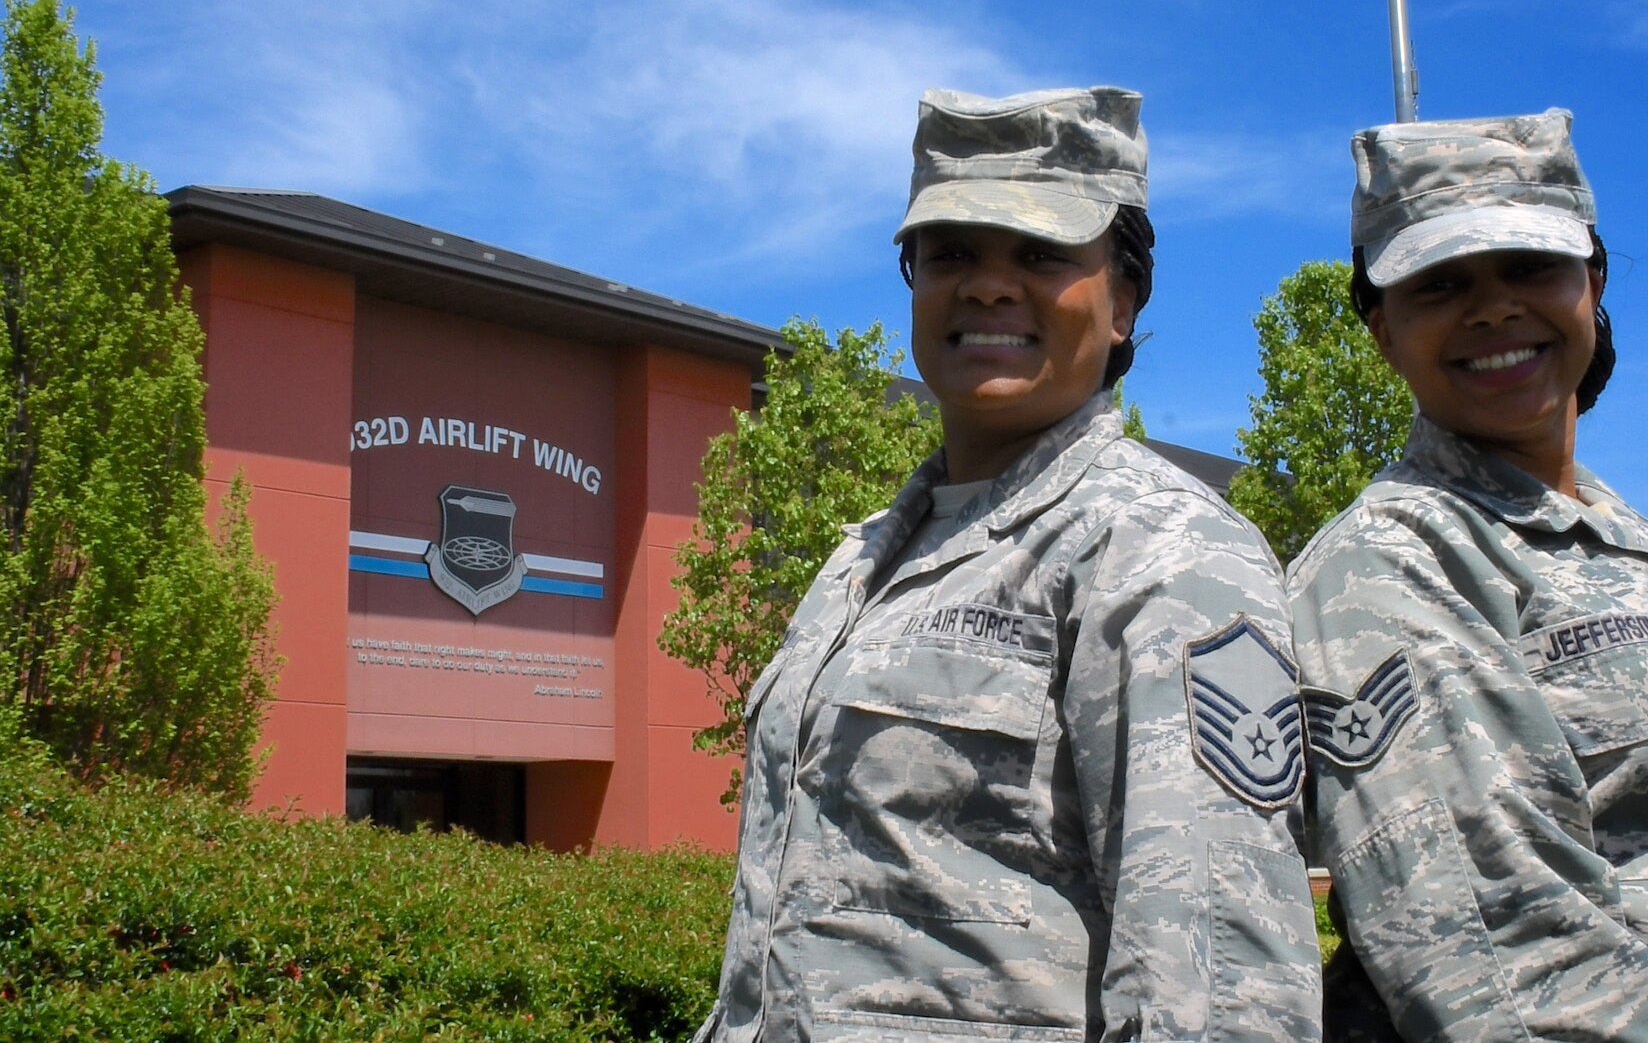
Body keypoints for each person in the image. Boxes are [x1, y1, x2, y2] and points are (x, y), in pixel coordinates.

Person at [694, 87, 1321, 1043]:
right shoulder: (861, 558)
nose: (988, 285)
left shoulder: (1162, 552)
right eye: (951, 254)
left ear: (1124, 300)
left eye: (1041, 253)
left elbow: (1218, 987)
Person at [1290, 110, 1648, 1042]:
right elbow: (1501, 955)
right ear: (1380, 331)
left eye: (1531, 267)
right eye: (1441, 284)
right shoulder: (1386, 566)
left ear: (1593, 282)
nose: (1493, 309)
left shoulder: (1623, 542)